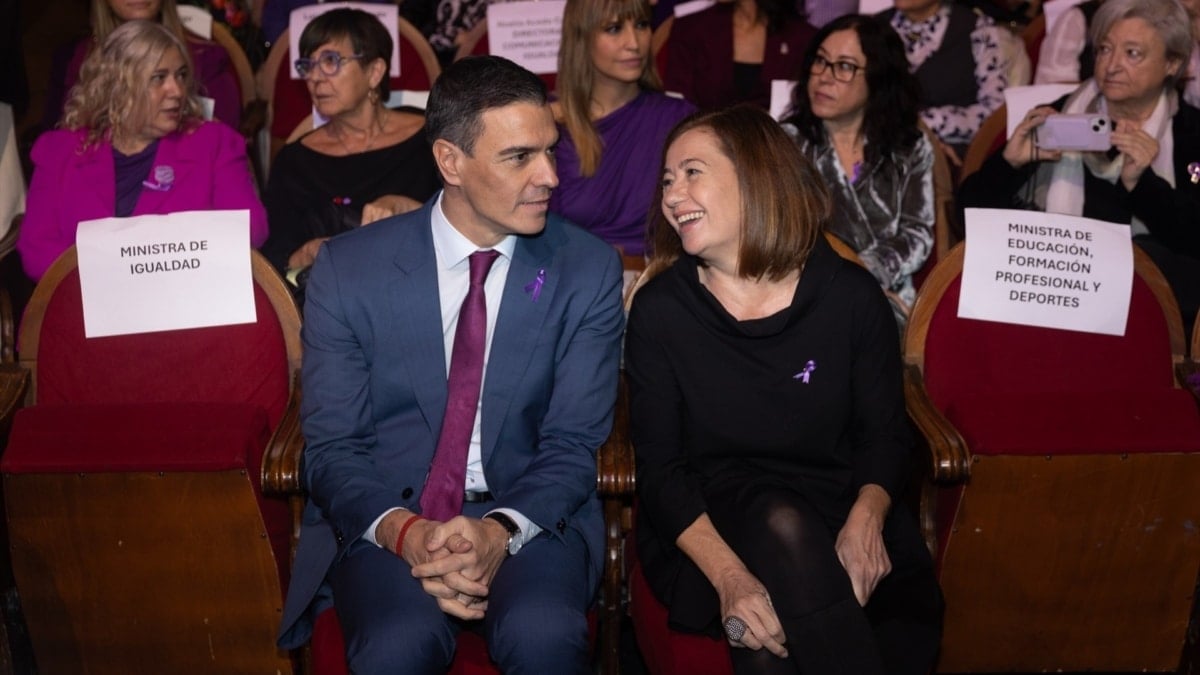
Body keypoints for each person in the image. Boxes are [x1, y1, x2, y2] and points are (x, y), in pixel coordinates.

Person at [276, 55, 625, 673]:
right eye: (519, 156)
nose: (549, 176)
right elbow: (333, 447)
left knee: (543, 634)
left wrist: (499, 530)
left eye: (550, 150)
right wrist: (407, 533)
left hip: (530, 514)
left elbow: (573, 443)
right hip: (388, 514)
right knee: (395, 644)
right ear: (450, 161)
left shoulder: (586, 269)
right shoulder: (350, 270)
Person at [626, 104, 942, 674]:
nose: (673, 196)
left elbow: (885, 435)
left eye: (692, 172)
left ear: (755, 175)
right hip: (709, 529)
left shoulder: (850, 297)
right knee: (776, 528)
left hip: (843, 509)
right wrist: (730, 577)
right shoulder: (661, 311)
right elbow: (662, 472)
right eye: (667, 180)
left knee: (774, 643)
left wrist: (867, 519)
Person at [959, 0, 1200, 337]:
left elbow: (1192, 246)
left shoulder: (1191, 135)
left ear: (1172, 63)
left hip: (1147, 321)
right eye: (1104, 49)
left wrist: (1142, 185)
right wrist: (1008, 165)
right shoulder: (1058, 118)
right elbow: (969, 223)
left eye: (1132, 54)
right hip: (1047, 305)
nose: (1111, 66)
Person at [19, 20, 267, 282]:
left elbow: (251, 230)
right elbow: (36, 252)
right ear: (118, 86)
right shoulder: (60, 151)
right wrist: (119, 274)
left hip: (185, 297)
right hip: (82, 301)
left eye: (181, 75)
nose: (177, 90)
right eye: (159, 78)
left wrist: (146, 263)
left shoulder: (214, 143)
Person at [262, 8, 440, 293]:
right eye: (308, 65)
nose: (315, 77)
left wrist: (408, 209)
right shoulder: (295, 161)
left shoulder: (431, 140)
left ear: (374, 72)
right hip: (328, 299)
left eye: (330, 61)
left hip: (425, 290)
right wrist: (307, 252)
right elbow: (273, 258)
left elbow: (469, 224)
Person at [783, 13, 934, 323]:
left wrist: (868, 273)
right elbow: (773, 232)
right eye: (820, 61)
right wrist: (849, 277)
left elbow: (917, 233)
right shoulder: (784, 142)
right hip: (798, 294)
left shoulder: (909, 147)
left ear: (878, 78)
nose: (824, 77)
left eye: (844, 67)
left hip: (885, 295)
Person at [551, 0, 695, 258]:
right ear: (581, 37)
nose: (634, 43)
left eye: (641, 25)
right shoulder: (549, 127)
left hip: (662, 272)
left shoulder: (679, 119)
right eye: (614, 28)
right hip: (571, 273)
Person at [44, 0, 242, 131]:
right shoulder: (72, 61)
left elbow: (226, 147)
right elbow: (58, 149)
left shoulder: (207, 60)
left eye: (179, 75)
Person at [880, 0, 1009, 157]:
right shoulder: (870, 29)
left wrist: (924, 125)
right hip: (878, 147)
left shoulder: (980, 31)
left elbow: (995, 114)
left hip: (948, 152)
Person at [664, 0, 816, 111]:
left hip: (776, 142)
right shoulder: (690, 29)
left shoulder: (804, 38)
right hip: (703, 141)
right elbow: (676, 105)